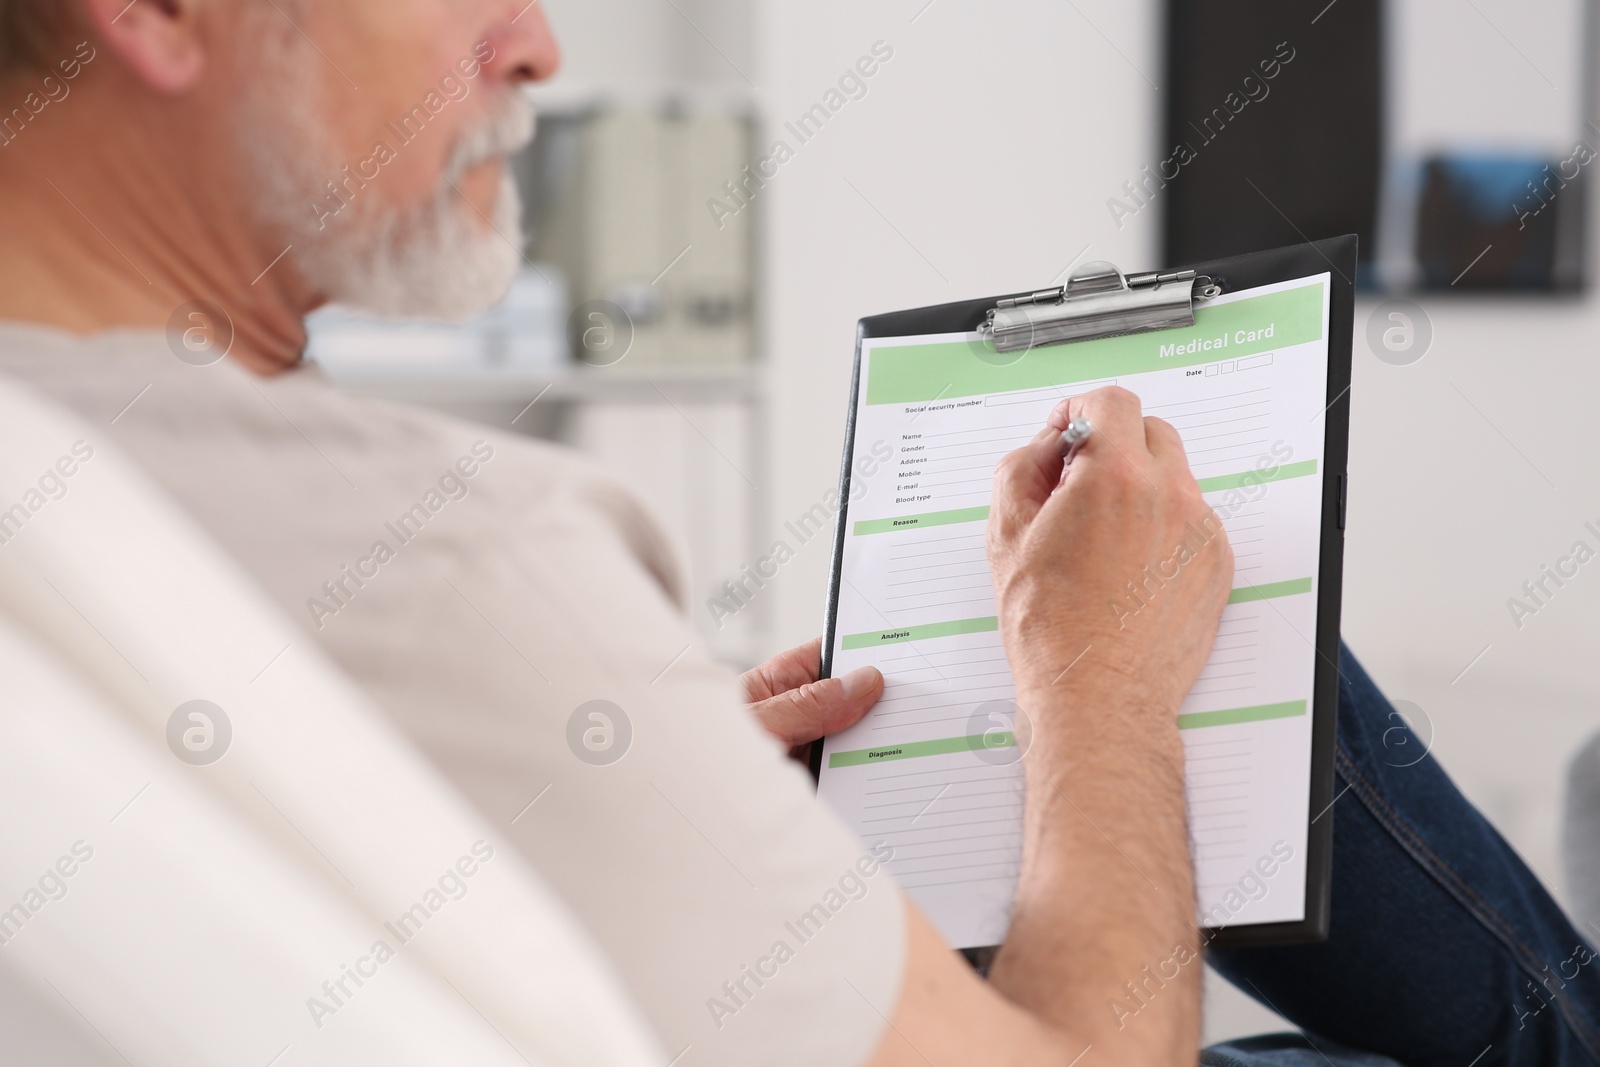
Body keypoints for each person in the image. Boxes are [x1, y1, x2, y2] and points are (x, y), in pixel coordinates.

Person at [0, 2, 1596, 1065]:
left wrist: (656, 801)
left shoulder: (83, 460)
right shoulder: (462, 552)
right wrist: (1096, 691)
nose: (539, 46)